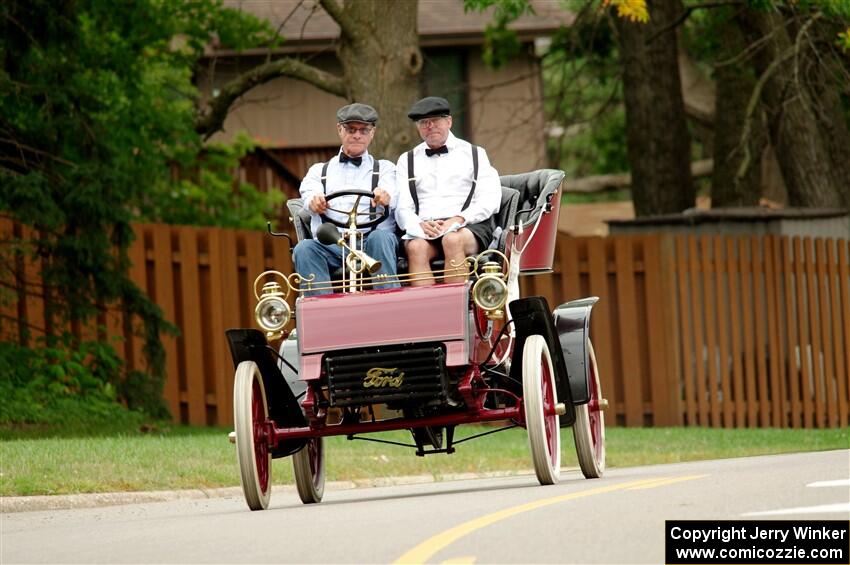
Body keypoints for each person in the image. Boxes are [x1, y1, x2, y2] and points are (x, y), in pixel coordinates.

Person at [292, 103, 399, 295]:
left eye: (363, 130)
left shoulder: (385, 168)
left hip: (372, 242)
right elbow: (308, 194)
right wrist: (314, 202)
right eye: (351, 129)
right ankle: (321, 314)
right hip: (333, 245)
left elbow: (391, 191)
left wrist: (384, 195)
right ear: (340, 130)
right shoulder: (319, 171)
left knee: (380, 237)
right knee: (304, 248)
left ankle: (390, 304)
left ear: (372, 133)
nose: (357, 135)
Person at [394, 96, 501, 286]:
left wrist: (458, 219)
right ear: (418, 127)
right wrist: (418, 224)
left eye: (435, 120)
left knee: (452, 240)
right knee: (416, 247)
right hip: (425, 229)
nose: (430, 126)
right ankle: (427, 312)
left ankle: (454, 310)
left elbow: (489, 199)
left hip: (468, 226)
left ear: (449, 121)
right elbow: (402, 207)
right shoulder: (406, 159)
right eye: (424, 122)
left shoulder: (475, 154)